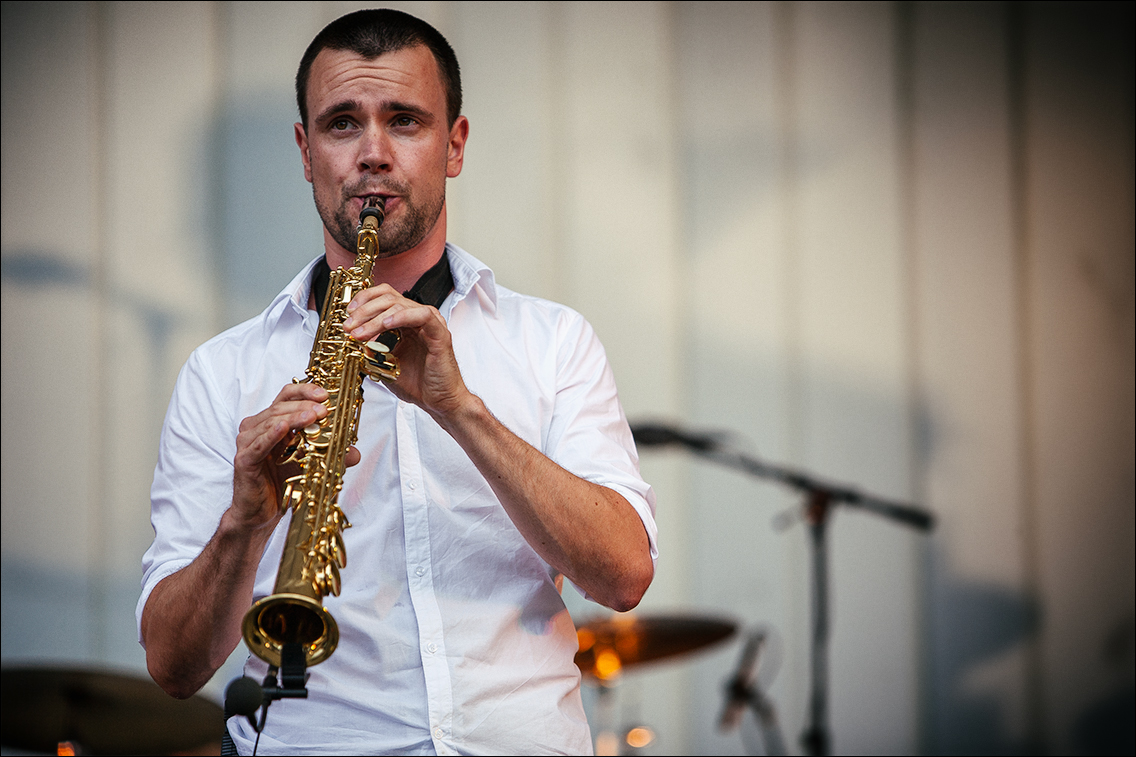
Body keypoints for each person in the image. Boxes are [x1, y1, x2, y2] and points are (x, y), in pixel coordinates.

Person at [136, 8, 656, 755]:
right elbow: (173, 665)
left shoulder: (553, 340)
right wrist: (245, 522)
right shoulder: (222, 373)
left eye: (405, 121)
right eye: (342, 123)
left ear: (455, 145)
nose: (373, 154)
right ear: (305, 151)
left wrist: (461, 410)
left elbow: (625, 575)